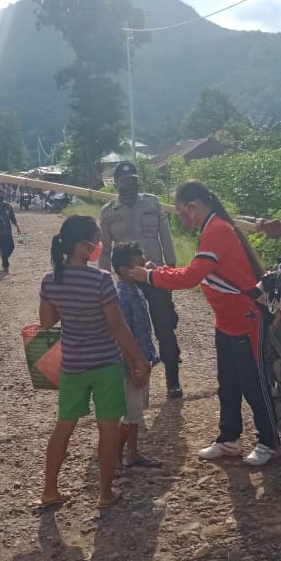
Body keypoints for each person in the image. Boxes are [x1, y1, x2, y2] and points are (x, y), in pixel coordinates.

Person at [127, 181, 279, 467]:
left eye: (180, 212)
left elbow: (191, 277)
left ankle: (269, 442)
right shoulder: (211, 229)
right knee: (228, 383)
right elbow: (194, 271)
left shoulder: (217, 230)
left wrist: (148, 277)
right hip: (226, 321)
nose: (180, 219)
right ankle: (229, 438)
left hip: (247, 319)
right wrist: (159, 271)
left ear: (191, 208)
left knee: (254, 382)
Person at [37, 215, 152, 509]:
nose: (100, 245)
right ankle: (104, 494)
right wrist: (139, 359)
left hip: (73, 366)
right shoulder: (100, 280)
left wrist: (68, 305)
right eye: (97, 240)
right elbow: (116, 326)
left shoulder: (51, 280)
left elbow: (47, 322)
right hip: (105, 365)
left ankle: (49, 490)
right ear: (82, 246)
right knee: (108, 428)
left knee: (64, 426)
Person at [99, 161, 184, 399]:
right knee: (129, 331)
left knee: (165, 327)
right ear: (116, 184)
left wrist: (171, 268)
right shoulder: (108, 212)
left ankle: (173, 381)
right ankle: (133, 380)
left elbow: (165, 236)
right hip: (128, 281)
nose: (130, 184)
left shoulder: (152, 203)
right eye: (125, 181)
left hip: (153, 275)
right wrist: (105, 280)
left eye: (134, 180)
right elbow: (105, 250)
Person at [111, 241, 163, 471]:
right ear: (124, 270)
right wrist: (134, 368)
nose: (143, 270)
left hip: (142, 361)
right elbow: (121, 337)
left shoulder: (136, 289)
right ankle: (113, 459)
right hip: (130, 366)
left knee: (136, 414)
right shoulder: (121, 295)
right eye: (138, 266)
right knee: (129, 416)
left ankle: (132, 453)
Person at [0, 186, 21, 272]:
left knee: (11, 247)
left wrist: (17, 227)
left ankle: (4, 259)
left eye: (1, 194)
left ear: (4, 195)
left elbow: (12, 218)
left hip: (8, 231)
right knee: (2, 249)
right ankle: (5, 264)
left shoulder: (8, 206)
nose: (0, 195)